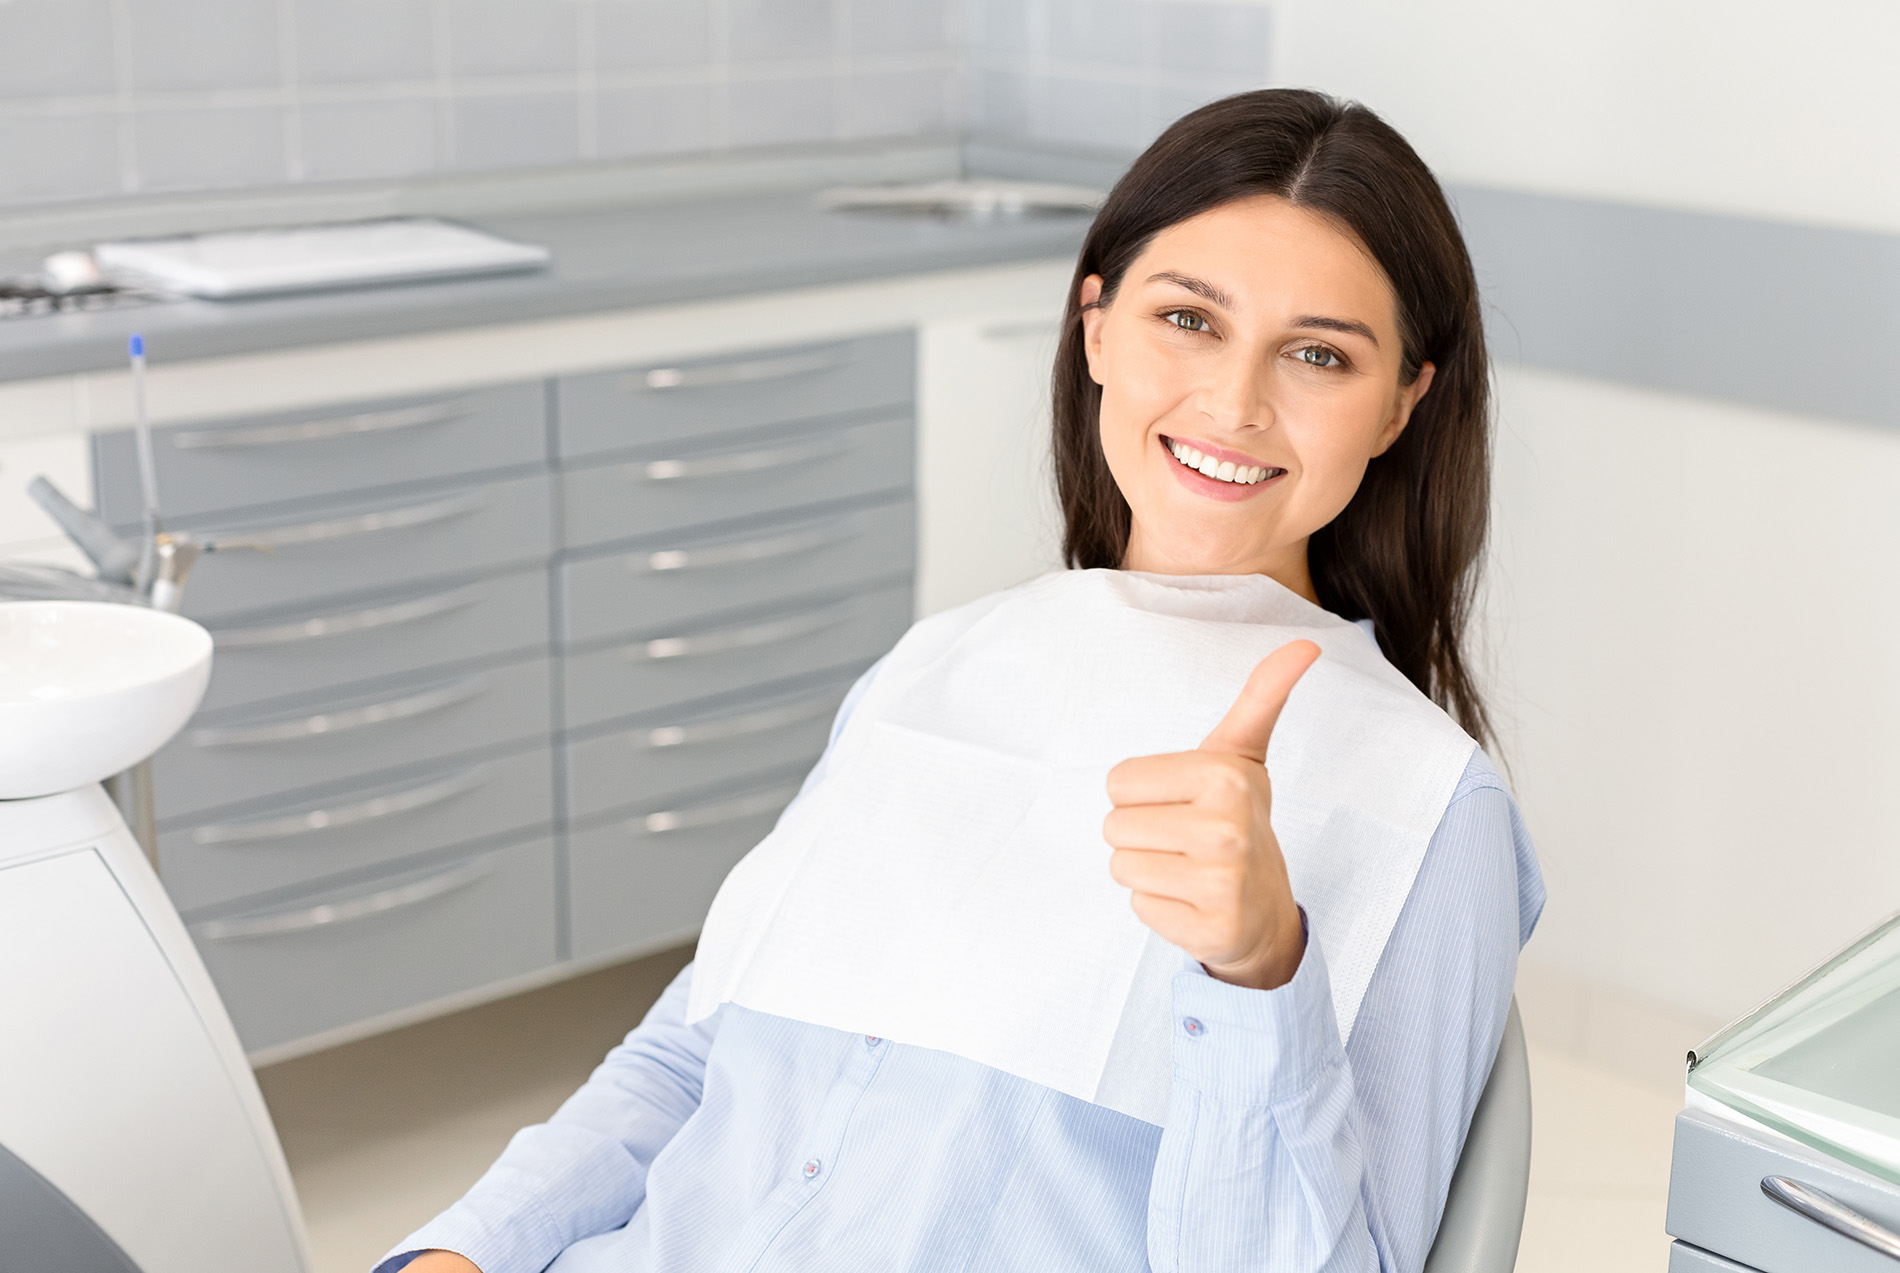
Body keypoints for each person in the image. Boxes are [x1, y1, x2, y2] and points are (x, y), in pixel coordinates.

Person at [381, 88, 1544, 1273]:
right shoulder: (931, 667)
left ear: (1402, 401)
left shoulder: (1422, 808)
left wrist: (1257, 974)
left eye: (1315, 354)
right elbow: (693, 1049)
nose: (1233, 405)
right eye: (1187, 319)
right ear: (1095, 327)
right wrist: (464, 1250)